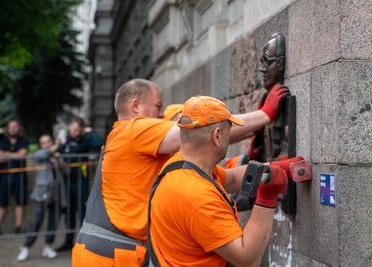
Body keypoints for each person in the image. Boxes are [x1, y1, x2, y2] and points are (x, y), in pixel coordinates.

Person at [72, 78, 287, 266]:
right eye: (157, 106)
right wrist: (264, 115)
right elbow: (199, 132)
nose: (161, 114)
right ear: (135, 106)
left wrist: (261, 150)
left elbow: (210, 140)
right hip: (111, 254)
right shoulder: (133, 130)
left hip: (102, 251)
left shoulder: (124, 141)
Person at [148, 96, 303, 266]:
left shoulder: (182, 166)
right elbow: (247, 258)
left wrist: (275, 168)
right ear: (217, 135)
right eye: (229, 131)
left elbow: (232, 178)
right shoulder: (197, 196)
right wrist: (266, 197)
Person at [56, 117, 102, 251]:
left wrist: (91, 131)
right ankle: (68, 241)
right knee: (69, 213)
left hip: (81, 181)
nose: (77, 132)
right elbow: (59, 152)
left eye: (79, 129)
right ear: (69, 127)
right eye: (75, 129)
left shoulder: (85, 140)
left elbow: (98, 143)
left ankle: (83, 242)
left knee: (83, 212)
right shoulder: (65, 141)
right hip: (67, 181)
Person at [17, 134, 65, 261]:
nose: (47, 144)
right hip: (41, 195)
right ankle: (26, 247)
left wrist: (59, 159)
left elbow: (66, 172)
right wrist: (56, 146)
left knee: (53, 221)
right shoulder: (39, 154)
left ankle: (48, 246)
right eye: (44, 143)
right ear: (41, 145)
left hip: (55, 194)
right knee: (37, 221)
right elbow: (44, 154)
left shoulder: (55, 157)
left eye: (49, 141)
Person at [0, 120, 29, 235]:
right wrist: (15, 155)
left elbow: (22, 155)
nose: (13, 129)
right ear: (8, 128)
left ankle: (18, 227)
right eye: (11, 127)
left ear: (18, 128)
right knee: (1, 202)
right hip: (5, 176)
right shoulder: (3, 141)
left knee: (19, 202)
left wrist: (7, 154)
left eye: (15, 127)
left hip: (20, 176)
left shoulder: (23, 141)